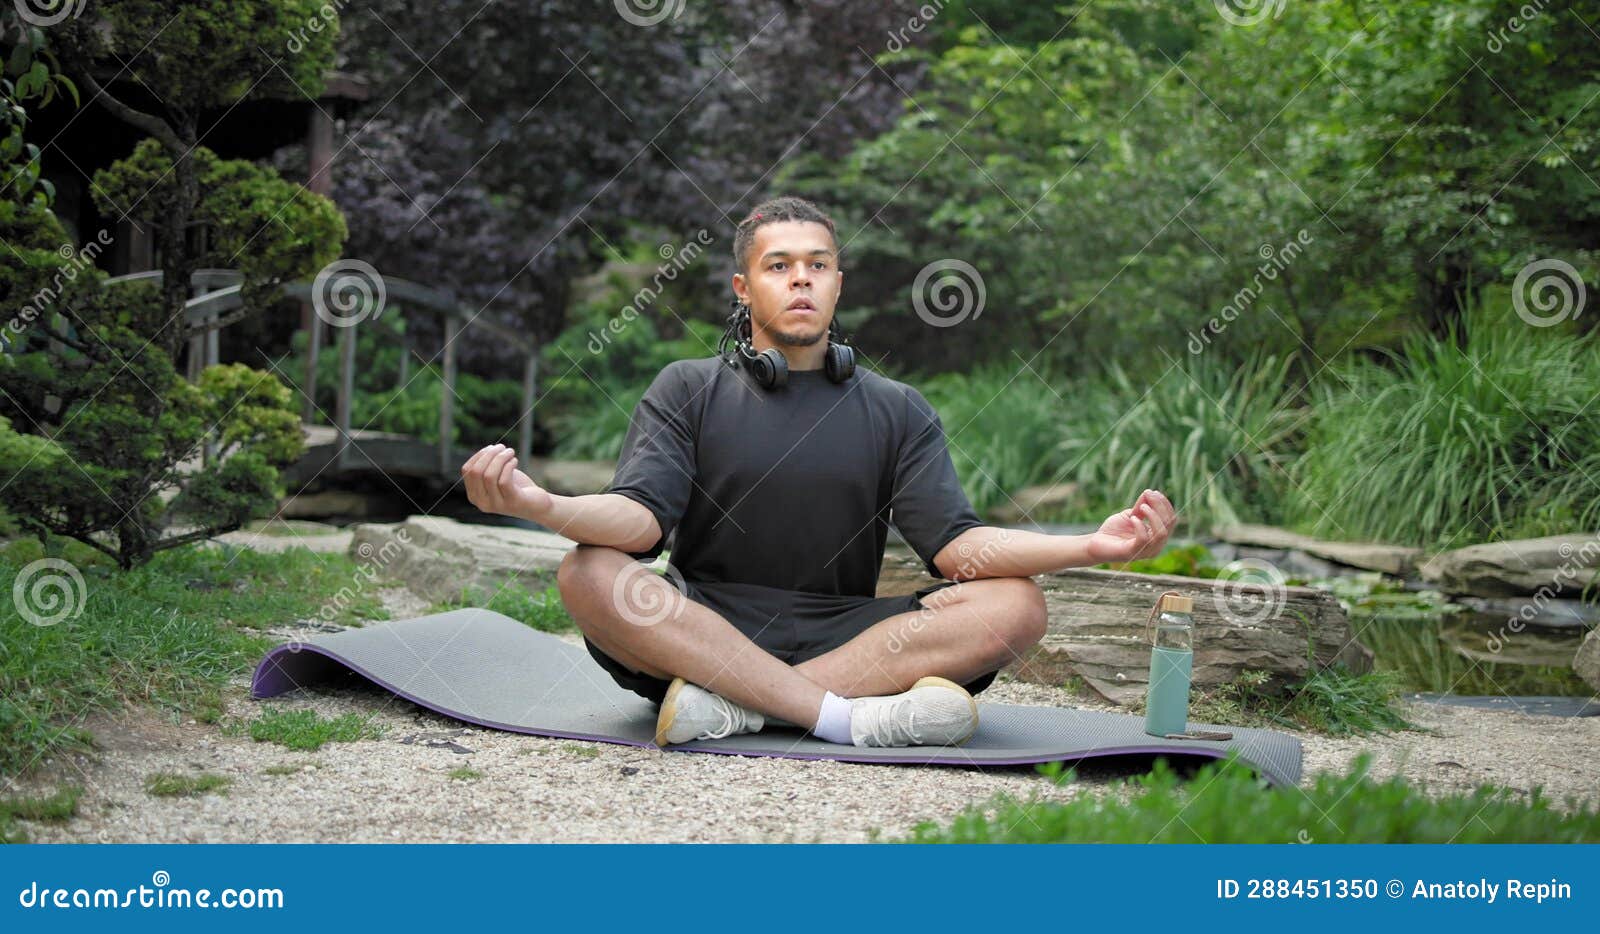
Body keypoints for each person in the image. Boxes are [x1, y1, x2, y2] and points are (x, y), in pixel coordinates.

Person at [461, 196, 1176, 748]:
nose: (800, 278)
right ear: (744, 288)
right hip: (703, 626)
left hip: (851, 637)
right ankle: (842, 720)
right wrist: (543, 503)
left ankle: (735, 709)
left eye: (817, 264)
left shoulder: (897, 408)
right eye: (779, 266)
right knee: (586, 572)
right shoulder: (686, 387)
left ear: (838, 284)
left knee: (1018, 605)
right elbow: (639, 522)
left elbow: (958, 550)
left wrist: (1091, 545)